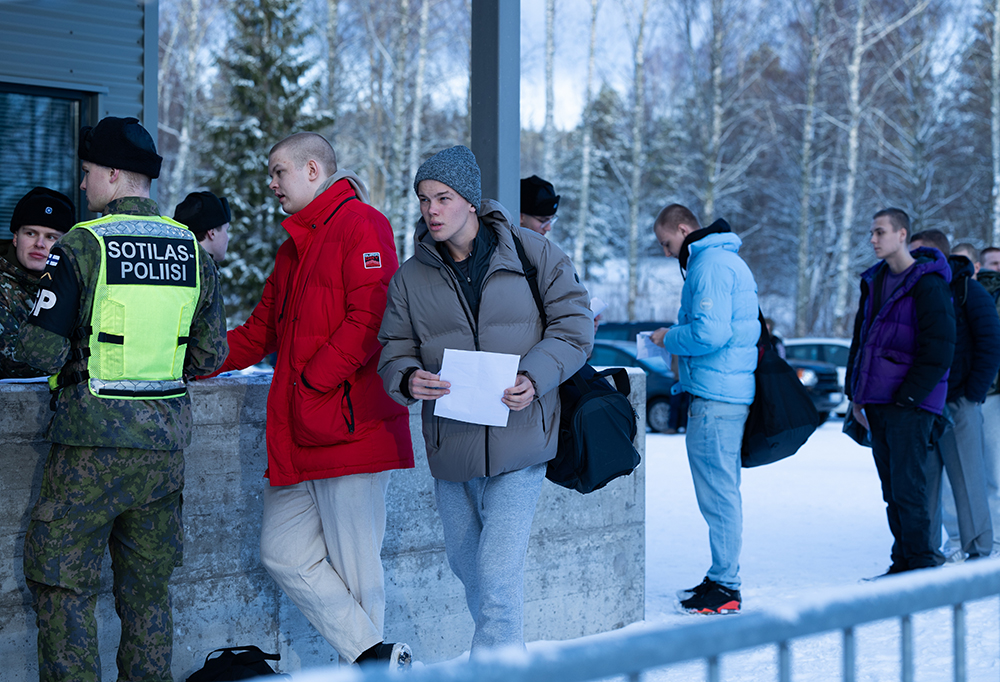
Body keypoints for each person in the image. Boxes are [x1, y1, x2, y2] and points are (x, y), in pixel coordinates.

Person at [15, 116, 228, 682]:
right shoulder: (192, 250)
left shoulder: (82, 244)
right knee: (148, 593)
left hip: (89, 450)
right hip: (163, 454)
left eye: (88, 172)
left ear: (112, 174)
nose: (83, 184)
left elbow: (39, 351)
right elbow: (210, 355)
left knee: (63, 585)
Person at [209, 132, 414, 670]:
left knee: (358, 575)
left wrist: (312, 380)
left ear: (314, 170)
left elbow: (371, 319)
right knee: (283, 552)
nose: (271, 183)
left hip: (349, 428)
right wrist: (190, 358)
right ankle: (375, 657)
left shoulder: (363, 224)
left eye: (279, 171)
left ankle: (372, 672)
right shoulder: (292, 247)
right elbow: (259, 332)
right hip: (302, 434)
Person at [378, 146, 592, 654]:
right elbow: (394, 349)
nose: (431, 210)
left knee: (496, 575)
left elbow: (575, 327)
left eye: (443, 198)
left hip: (521, 440)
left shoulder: (532, 253)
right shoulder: (409, 278)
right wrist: (407, 379)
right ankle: (506, 660)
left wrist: (534, 377)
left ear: (471, 200)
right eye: (424, 199)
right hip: (452, 445)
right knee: (469, 569)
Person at [649, 204, 759, 614]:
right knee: (720, 491)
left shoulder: (709, 264)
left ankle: (726, 585)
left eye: (667, 243)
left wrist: (668, 337)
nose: (666, 253)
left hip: (716, 397)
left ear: (683, 229)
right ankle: (720, 577)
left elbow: (710, 333)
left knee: (718, 495)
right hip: (722, 392)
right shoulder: (721, 260)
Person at [846, 208, 955, 576]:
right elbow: (862, 340)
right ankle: (903, 564)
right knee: (891, 489)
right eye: (872, 232)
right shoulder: (875, 280)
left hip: (910, 403)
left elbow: (940, 348)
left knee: (910, 488)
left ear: (902, 234)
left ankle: (921, 567)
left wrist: (909, 397)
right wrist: (856, 394)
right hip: (877, 401)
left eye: (880, 232)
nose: (873, 239)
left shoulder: (928, 284)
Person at [909, 230, 1000, 562]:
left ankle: (980, 547)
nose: (913, 258)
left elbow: (990, 345)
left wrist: (971, 394)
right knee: (927, 481)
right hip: (922, 401)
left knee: (971, 477)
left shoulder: (967, 289)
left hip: (961, 397)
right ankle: (928, 550)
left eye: (919, 252)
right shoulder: (914, 288)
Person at [1, 187, 74, 378]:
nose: (39, 244)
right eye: (31, 233)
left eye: (51, 237)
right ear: (15, 238)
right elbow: (12, 361)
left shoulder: (72, 286)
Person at [977, 249, 1000, 553]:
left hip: (994, 392)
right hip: (978, 391)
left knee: (995, 470)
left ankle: (995, 538)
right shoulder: (970, 292)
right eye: (994, 263)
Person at [173, 190, 231, 262]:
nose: (228, 238)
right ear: (212, 233)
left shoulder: (174, 263)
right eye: (226, 230)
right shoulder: (202, 267)